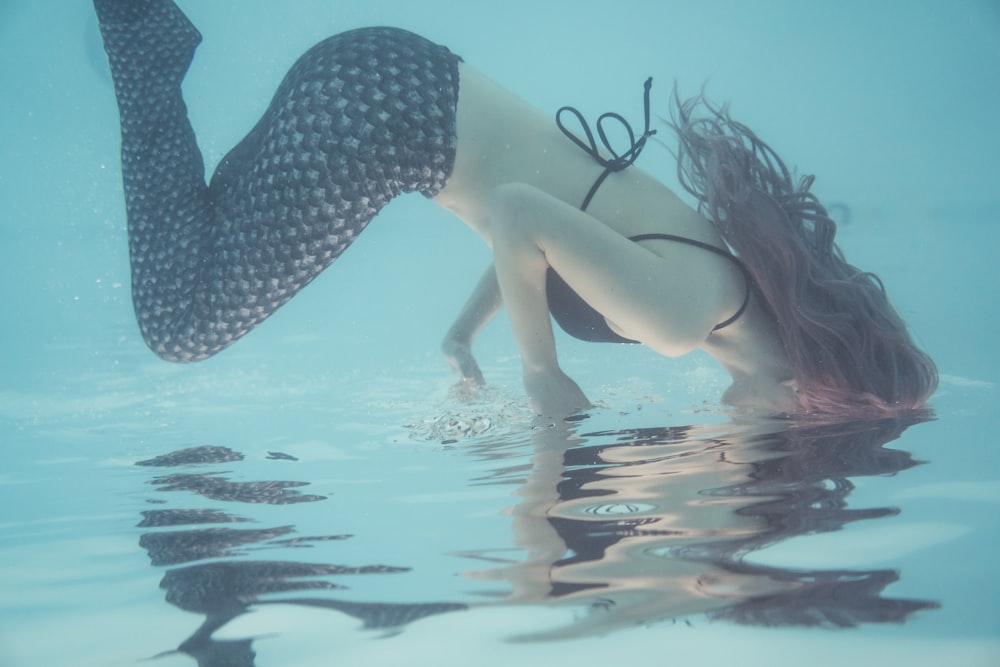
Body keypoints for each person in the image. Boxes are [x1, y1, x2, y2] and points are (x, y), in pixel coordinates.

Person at [93, 0, 937, 419]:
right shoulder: (687, 315)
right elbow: (520, 208)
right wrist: (540, 373)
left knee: (198, 255)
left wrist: (466, 333)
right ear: (814, 395)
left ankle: (149, 49)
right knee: (183, 322)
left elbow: (539, 237)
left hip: (386, 86)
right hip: (382, 122)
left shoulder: (719, 283)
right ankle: (144, 42)